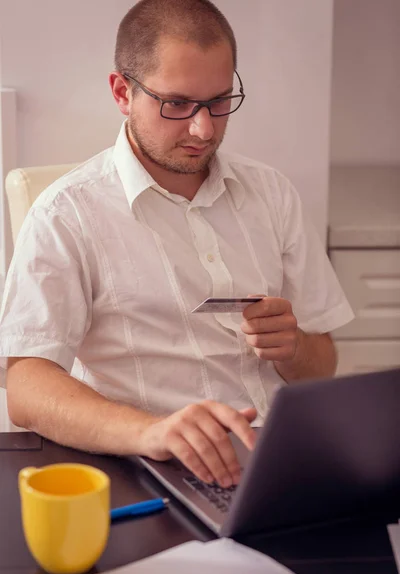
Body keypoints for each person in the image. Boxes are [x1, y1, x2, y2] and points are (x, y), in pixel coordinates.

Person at [0, 0, 353, 489]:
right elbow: (26, 386)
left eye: (219, 101)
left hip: (281, 462)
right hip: (149, 472)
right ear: (122, 92)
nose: (203, 129)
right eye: (177, 104)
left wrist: (292, 349)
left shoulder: (271, 193)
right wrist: (153, 432)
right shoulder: (67, 213)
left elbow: (322, 370)